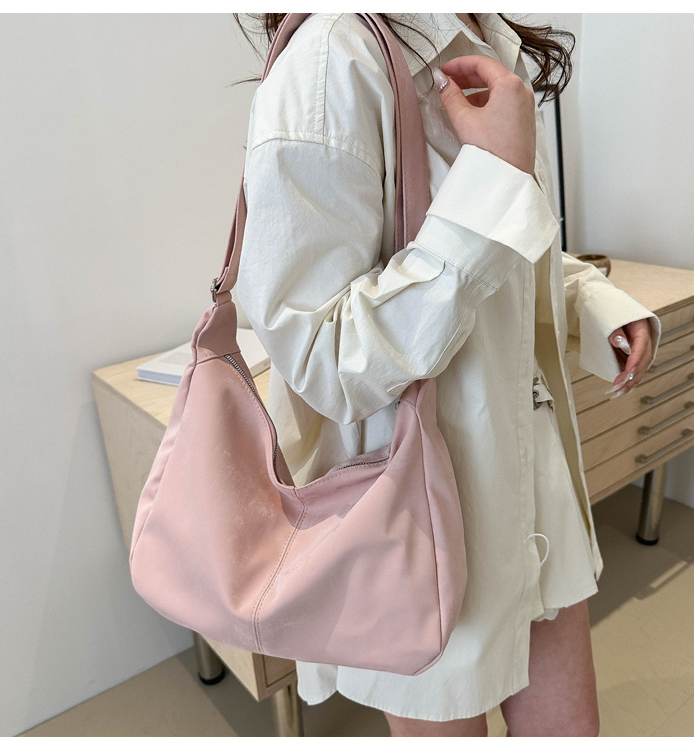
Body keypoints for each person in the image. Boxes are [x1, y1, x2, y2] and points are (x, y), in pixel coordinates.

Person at [234, 13, 661, 737]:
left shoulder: (486, 38)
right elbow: (322, 358)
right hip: (419, 513)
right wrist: (491, 183)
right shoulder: (332, 60)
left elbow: (509, 255)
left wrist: (592, 303)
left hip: (527, 481)